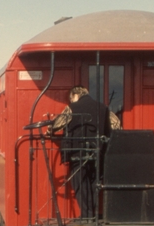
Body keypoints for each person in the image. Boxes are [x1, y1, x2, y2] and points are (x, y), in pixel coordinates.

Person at [50, 85, 121, 219]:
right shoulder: (103, 108)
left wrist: (49, 131)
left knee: (80, 184)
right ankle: (93, 215)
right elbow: (117, 124)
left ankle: (87, 215)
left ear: (75, 95)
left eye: (71, 99)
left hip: (77, 153)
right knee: (95, 184)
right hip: (98, 152)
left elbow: (57, 124)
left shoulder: (72, 108)